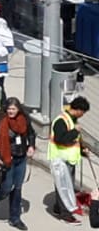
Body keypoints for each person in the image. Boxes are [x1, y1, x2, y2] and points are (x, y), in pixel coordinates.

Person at [0, 97, 36, 230]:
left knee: (17, 188)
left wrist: (31, 146)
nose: (11, 111)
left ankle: (15, 218)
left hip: (21, 158)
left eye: (14, 109)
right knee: (5, 189)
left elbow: (31, 134)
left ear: (18, 109)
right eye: (9, 109)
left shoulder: (24, 120)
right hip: (5, 159)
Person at [48, 95, 89, 223]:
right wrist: (75, 131)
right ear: (78, 110)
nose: (82, 115)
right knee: (64, 186)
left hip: (68, 159)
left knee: (64, 185)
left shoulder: (72, 120)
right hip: (60, 160)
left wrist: (82, 150)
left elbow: (73, 141)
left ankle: (58, 207)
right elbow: (61, 139)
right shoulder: (61, 121)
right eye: (83, 112)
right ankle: (65, 215)